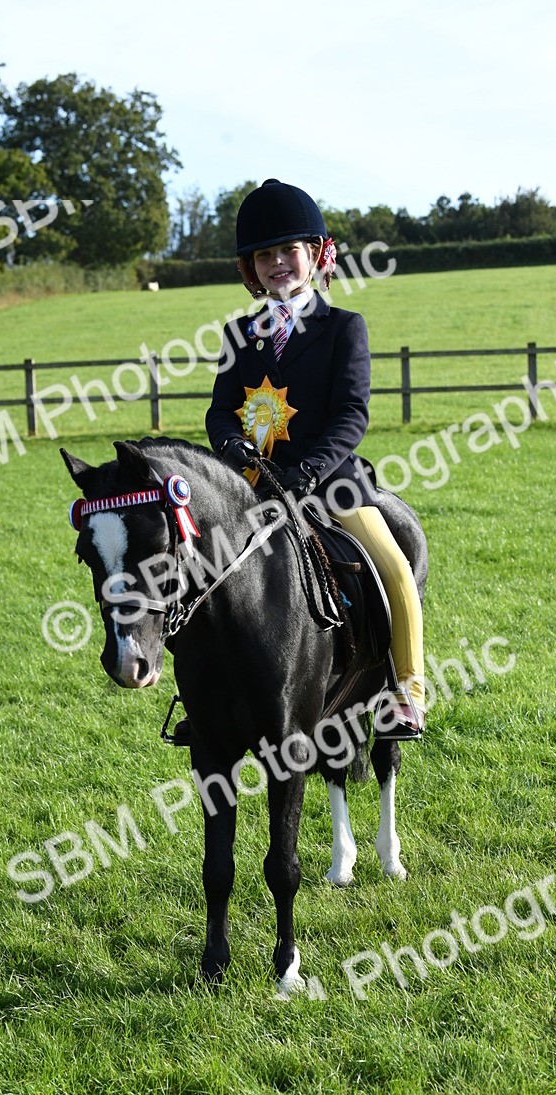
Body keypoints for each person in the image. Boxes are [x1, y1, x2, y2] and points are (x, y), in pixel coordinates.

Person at [205, 178, 424, 739]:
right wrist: (231, 445)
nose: (277, 263)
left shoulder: (344, 328)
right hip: (253, 485)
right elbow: (220, 412)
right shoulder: (238, 334)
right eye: (264, 255)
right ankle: (206, 697)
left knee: (393, 567)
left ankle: (406, 692)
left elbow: (352, 414)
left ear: (316, 255)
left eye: (287, 251)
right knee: (201, 575)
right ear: (250, 268)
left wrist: (307, 472)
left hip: (331, 484)